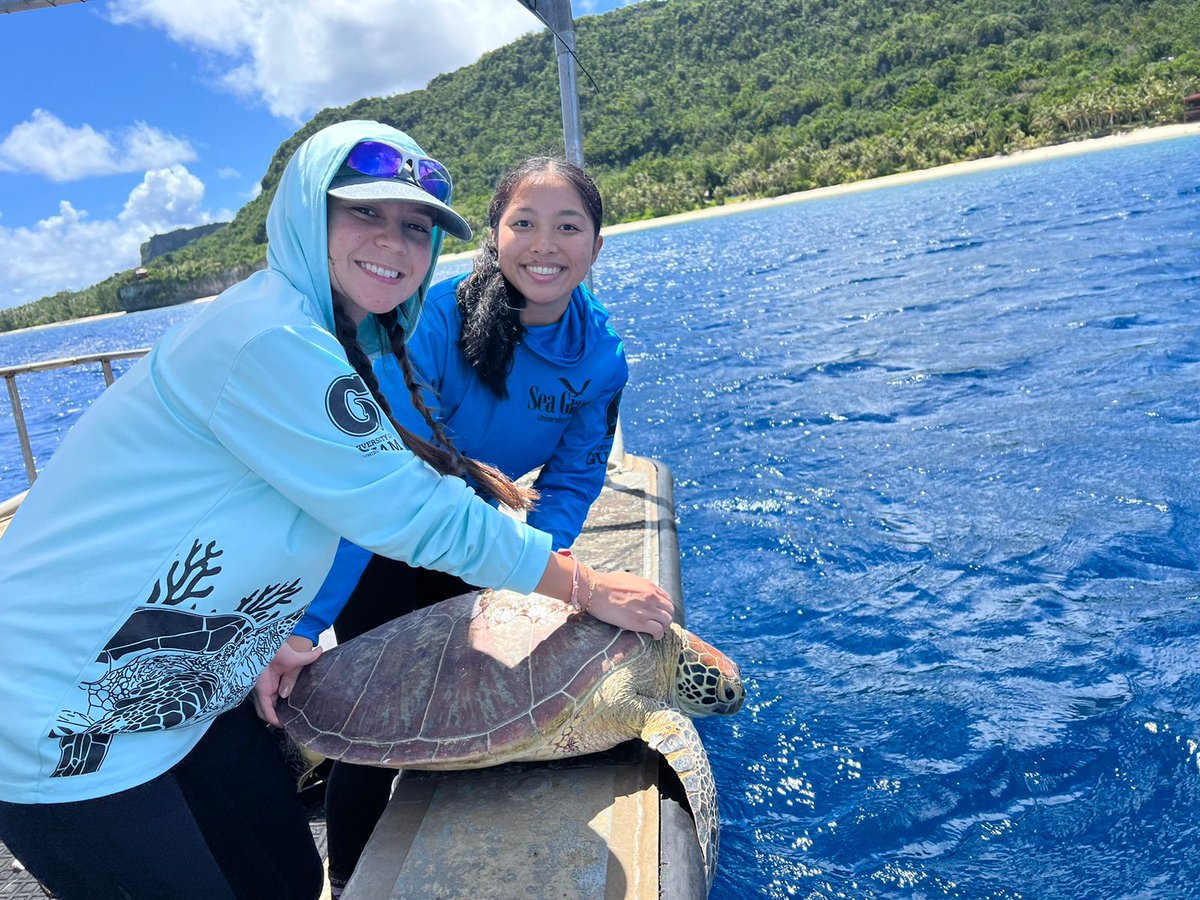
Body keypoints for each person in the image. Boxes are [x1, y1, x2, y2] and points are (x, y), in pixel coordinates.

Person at [0, 120, 673, 900]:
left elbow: (328, 509)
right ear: (302, 216)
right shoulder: (271, 338)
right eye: (363, 213)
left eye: (415, 226)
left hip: (190, 686)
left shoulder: (353, 342)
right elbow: (404, 508)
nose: (393, 240)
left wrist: (265, 635)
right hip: (57, 713)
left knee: (285, 877)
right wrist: (585, 587)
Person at [300, 155, 625, 896]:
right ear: (495, 235)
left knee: (481, 689)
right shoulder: (435, 320)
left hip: (475, 536)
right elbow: (385, 485)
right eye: (525, 223)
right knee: (373, 718)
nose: (545, 244)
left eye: (568, 226)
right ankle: (348, 877)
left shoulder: (600, 357)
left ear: (596, 247)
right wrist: (308, 621)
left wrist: (547, 565)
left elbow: (575, 477)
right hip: (384, 531)